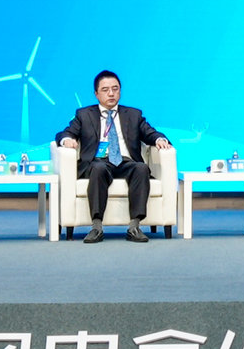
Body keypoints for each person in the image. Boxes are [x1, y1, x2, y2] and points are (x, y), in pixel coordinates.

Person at [56, 70, 172, 244]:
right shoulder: (84, 115)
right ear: (96, 94)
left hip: (126, 162)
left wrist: (159, 139)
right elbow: (64, 133)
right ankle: (96, 227)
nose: (111, 93)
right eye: (105, 90)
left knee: (141, 168)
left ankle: (134, 227)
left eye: (115, 89)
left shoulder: (133, 114)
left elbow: (150, 132)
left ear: (120, 91)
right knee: (98, 168)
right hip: (98, 162)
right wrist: (67, 140)